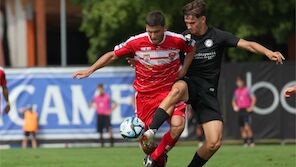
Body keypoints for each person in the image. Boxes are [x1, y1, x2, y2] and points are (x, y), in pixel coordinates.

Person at [140, 1, 285, 167]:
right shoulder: (183, 39)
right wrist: (135, 60)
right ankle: (152, 132)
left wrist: (268, 52)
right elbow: (157, 51)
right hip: (189, 85)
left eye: (192, 22)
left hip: (207, 93)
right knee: (179, 87)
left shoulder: (218, 36)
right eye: (186, 22)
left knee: (214, 142)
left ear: (203, 19)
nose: (189, 26)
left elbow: (248, 44)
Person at [73, 11, 195, 167]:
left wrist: (184, 70)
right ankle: (156, 158)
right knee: (146, 144)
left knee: (178, 126)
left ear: (164, 28)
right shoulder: (136, 42)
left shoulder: (177, 40)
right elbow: (112, 55)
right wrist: (90, 70)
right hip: (146, 96)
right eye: (150, 31)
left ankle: (156, 157)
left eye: (156, 31)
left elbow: (192, 49)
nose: (153, 35)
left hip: (170, 92)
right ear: (146, 28)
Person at [232, 75, 256, 147]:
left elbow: (254, 98)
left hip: (246, 110)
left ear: (243, 82)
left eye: (240, 82)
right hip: (240, 110)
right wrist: (234, 106)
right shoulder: (236, 91)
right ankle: (245, 142)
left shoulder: (247, 90)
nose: (239, 83)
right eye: (238, 82)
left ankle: (251, 142)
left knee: (247, 127)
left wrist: (251, 106)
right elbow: (233, 101)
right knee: (242, 128)